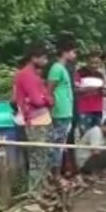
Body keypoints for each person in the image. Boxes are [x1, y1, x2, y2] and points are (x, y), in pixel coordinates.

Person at [14, 45, 54, 192]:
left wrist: (45, 99)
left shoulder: (35, 75)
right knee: (37, 157)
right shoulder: (26, 75)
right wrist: (45, 99)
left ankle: (42, 188)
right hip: (34, 120)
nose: (45, 60)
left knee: (44, 156)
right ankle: (35, 192)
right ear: (34, 58)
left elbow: (48, 98)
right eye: (43, 57)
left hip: (43, 118)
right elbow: (38, 100)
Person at [46, 42, 76, 175]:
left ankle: (57, 174)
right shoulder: (57, 68)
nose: (74, 55)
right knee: (56, 144)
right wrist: (52, 105)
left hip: (65, 110)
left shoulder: (62, 68)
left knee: (60, 144)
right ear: (65, 52)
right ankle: (55, 175)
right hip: (59, 111)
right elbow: (50, 89)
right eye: (73, 52)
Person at [75, 53, 106, 135]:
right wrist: (90, 88)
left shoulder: (100, 75)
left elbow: (105, 91)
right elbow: (75, 90)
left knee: (96, 134)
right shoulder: (79, 73)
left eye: (97, 63)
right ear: (87, 62)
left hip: (98, 109)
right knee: (85, 134)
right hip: (84, 109)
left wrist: (104, 92)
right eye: (92, 62)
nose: (94, 65)